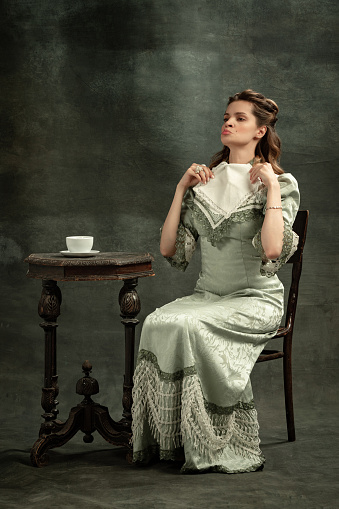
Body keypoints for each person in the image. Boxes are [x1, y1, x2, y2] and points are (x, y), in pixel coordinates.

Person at [131, 89, 300, 474]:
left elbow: (273, 250)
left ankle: (210, 439)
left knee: (188, 325)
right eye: (227, 116)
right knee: (158, 321)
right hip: (208, 296)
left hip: (257, 300)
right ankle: (170, 441)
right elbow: (170, 250)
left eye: (240, 118)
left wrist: (271, 187)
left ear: (261, 131)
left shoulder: (281, 183)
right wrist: (180, 190)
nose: (228, 122)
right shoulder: (205, 182)